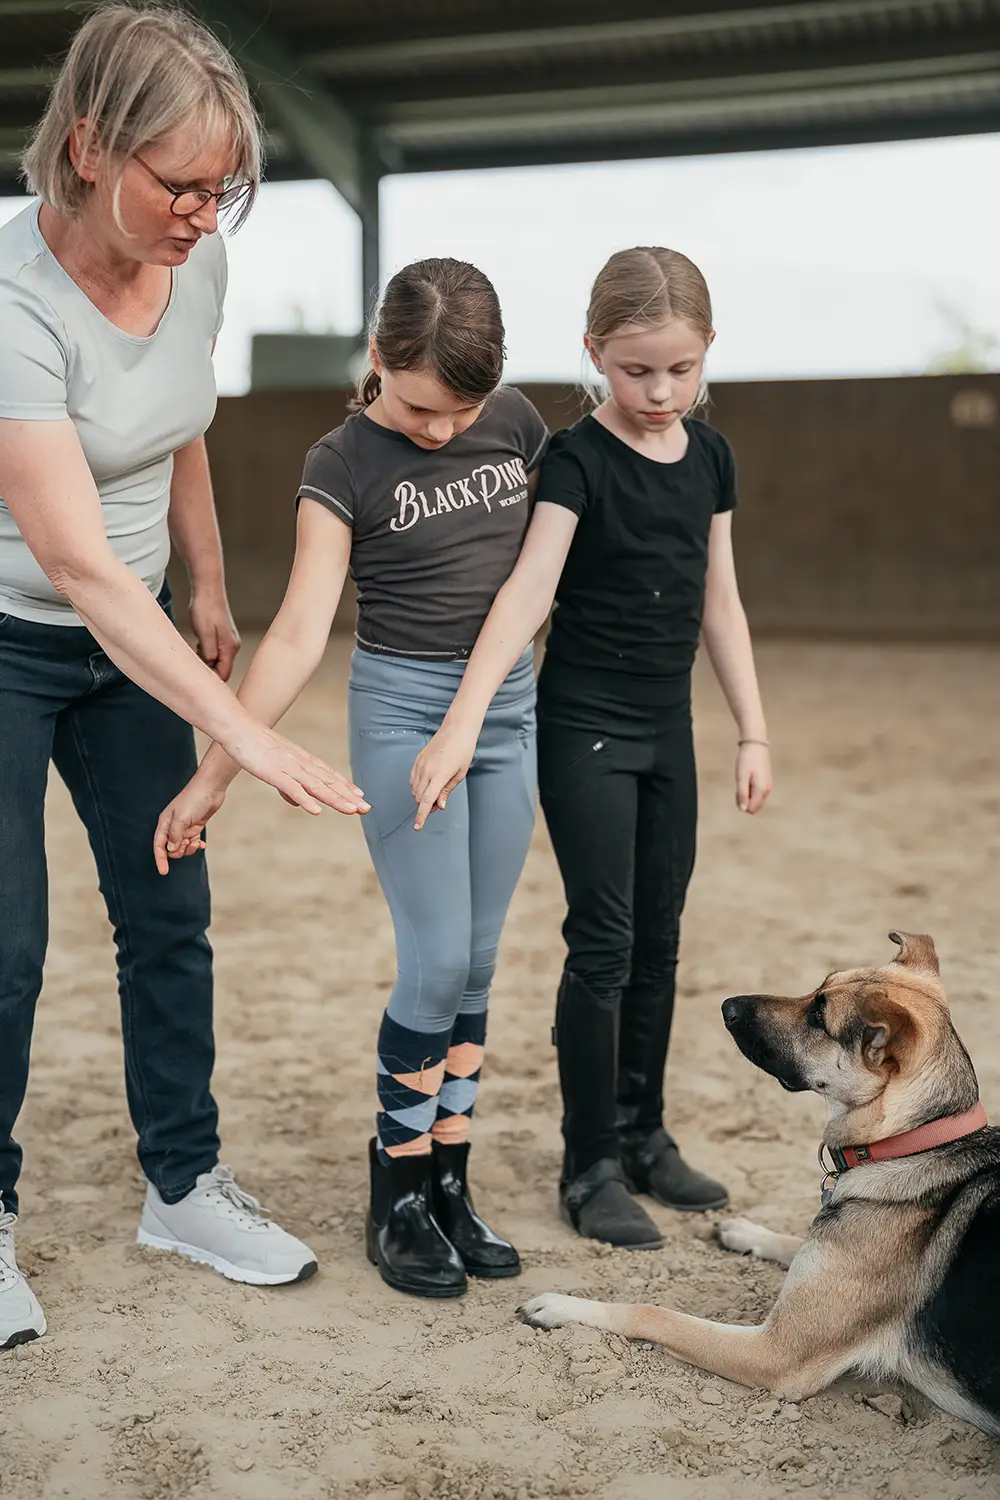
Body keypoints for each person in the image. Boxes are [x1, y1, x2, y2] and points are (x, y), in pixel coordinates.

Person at [0, 3, 367, 1351]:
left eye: (226, 191)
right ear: (91, 147)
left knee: (168, 908)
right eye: (183, 187)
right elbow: (76, 563)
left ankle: (184, 1186)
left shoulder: (193, 261)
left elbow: (181, 425)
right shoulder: (11, 305)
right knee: (7, 945)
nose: (206, 216)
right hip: (14, 630)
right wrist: (243, 732)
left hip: (140, 631)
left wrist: (208, 579)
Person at [156, 257, 550, 1299]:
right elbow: (297, 631)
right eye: (421, 408)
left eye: (464, 411)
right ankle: (399, 1188)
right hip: (404, 714)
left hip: (507, 715)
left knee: (477, 965)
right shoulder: (340, 463)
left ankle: (451, 1178)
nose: (444, 430)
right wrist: (218, 772)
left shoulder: (516, 424)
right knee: (433, 963)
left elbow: (546, 567)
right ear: (378, 357)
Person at [409, 246, 773, 1250]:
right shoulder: (576, 459)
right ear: (593, 353)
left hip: (667, 728)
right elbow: (529, 589)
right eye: (635, 370)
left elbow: (721, 601)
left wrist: (751, 727)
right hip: (586, 728)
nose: (659, 392)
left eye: (680, 370)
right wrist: (466, 716)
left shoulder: (711, 458)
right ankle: (591, 1164)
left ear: (708, 352)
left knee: (661, 938)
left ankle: (644, 1133)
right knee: (605, 943)